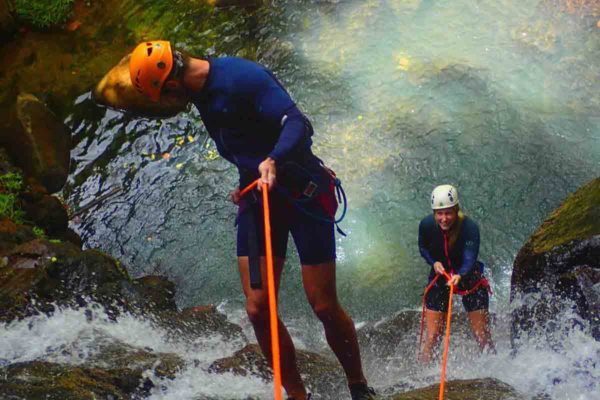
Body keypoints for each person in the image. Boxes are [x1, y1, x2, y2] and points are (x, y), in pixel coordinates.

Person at [128, 40, 376, 400]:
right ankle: (296, 395)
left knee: (322, 304)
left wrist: (273, 159)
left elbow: (297, 122)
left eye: (164, 97)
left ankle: (358, 386)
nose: (168, 105)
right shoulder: (199, 95)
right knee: (258, 307)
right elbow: (244, 141)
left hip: (301, 189)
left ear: (172, 82)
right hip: (257, 195)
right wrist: (247, 177)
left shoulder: (240, 76)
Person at [418, 184, 495, 363]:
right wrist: (433, 262)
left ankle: (492, 371)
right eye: (439, 213)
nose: (444, 218)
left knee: (481, 335)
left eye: (448, 213)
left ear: (456, 210)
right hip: (440, 276)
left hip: (469, 278)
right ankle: (424, 376)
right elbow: (423, 247)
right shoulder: (427, 225)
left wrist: (460, 274)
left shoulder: (469, 227)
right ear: (434, 212)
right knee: (432, 337)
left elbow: (470, 256)